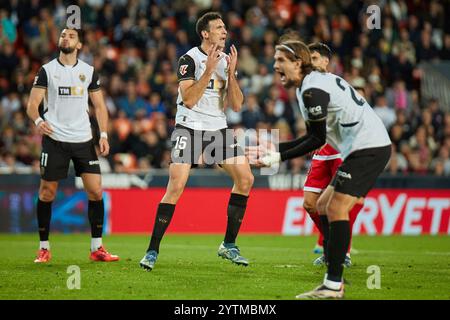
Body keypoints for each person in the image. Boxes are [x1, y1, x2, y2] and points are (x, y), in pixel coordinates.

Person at [252, 37, 391, 299]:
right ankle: (333, 264)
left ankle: (333, 283)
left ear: (298, 62)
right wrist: (277, 152)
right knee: (324, 205)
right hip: (361, 147)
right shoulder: (309, 85)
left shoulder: (311, 90)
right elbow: (315, 136)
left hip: (369, 147)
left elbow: (316, 138)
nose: (275, 66)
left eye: (281, 60)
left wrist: (275, 156)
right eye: (274, 60)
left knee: (336, 207)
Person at [139, 12, 253, 271]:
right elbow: (189, 99)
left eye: (225, 27)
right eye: (219, 28)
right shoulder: (189, 59)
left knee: (246, 179)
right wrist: (209, 71)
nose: (224, 31)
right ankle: (152, 250)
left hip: (218, 129)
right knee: (176, 186)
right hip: (189, 128)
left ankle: (229, 245)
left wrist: (231, 74)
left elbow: (236, 104)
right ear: (205, 33)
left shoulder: (226, 61)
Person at [26, 28, 119, 263]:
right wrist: (38, 121)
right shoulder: (47, 71)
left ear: (79, 45)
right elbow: (32, 104)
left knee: (96, 191)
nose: (65, 38)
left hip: (83, 140)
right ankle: (44, 248)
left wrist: (104, 134)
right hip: (55, 139)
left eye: (71, 36)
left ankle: (97, 248)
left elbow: (99, 106)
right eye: (63, 35)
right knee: (47, 193)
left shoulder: (88, 72)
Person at [303, 43, 364, 268]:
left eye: (315, 58)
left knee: (338, 205)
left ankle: (342, 253)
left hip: (341, 150)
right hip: (322, 152)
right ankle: (331, 245)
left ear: (326, 62)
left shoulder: (337, 85)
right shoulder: (308, 87)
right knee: (310, 204)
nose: (311, 63)